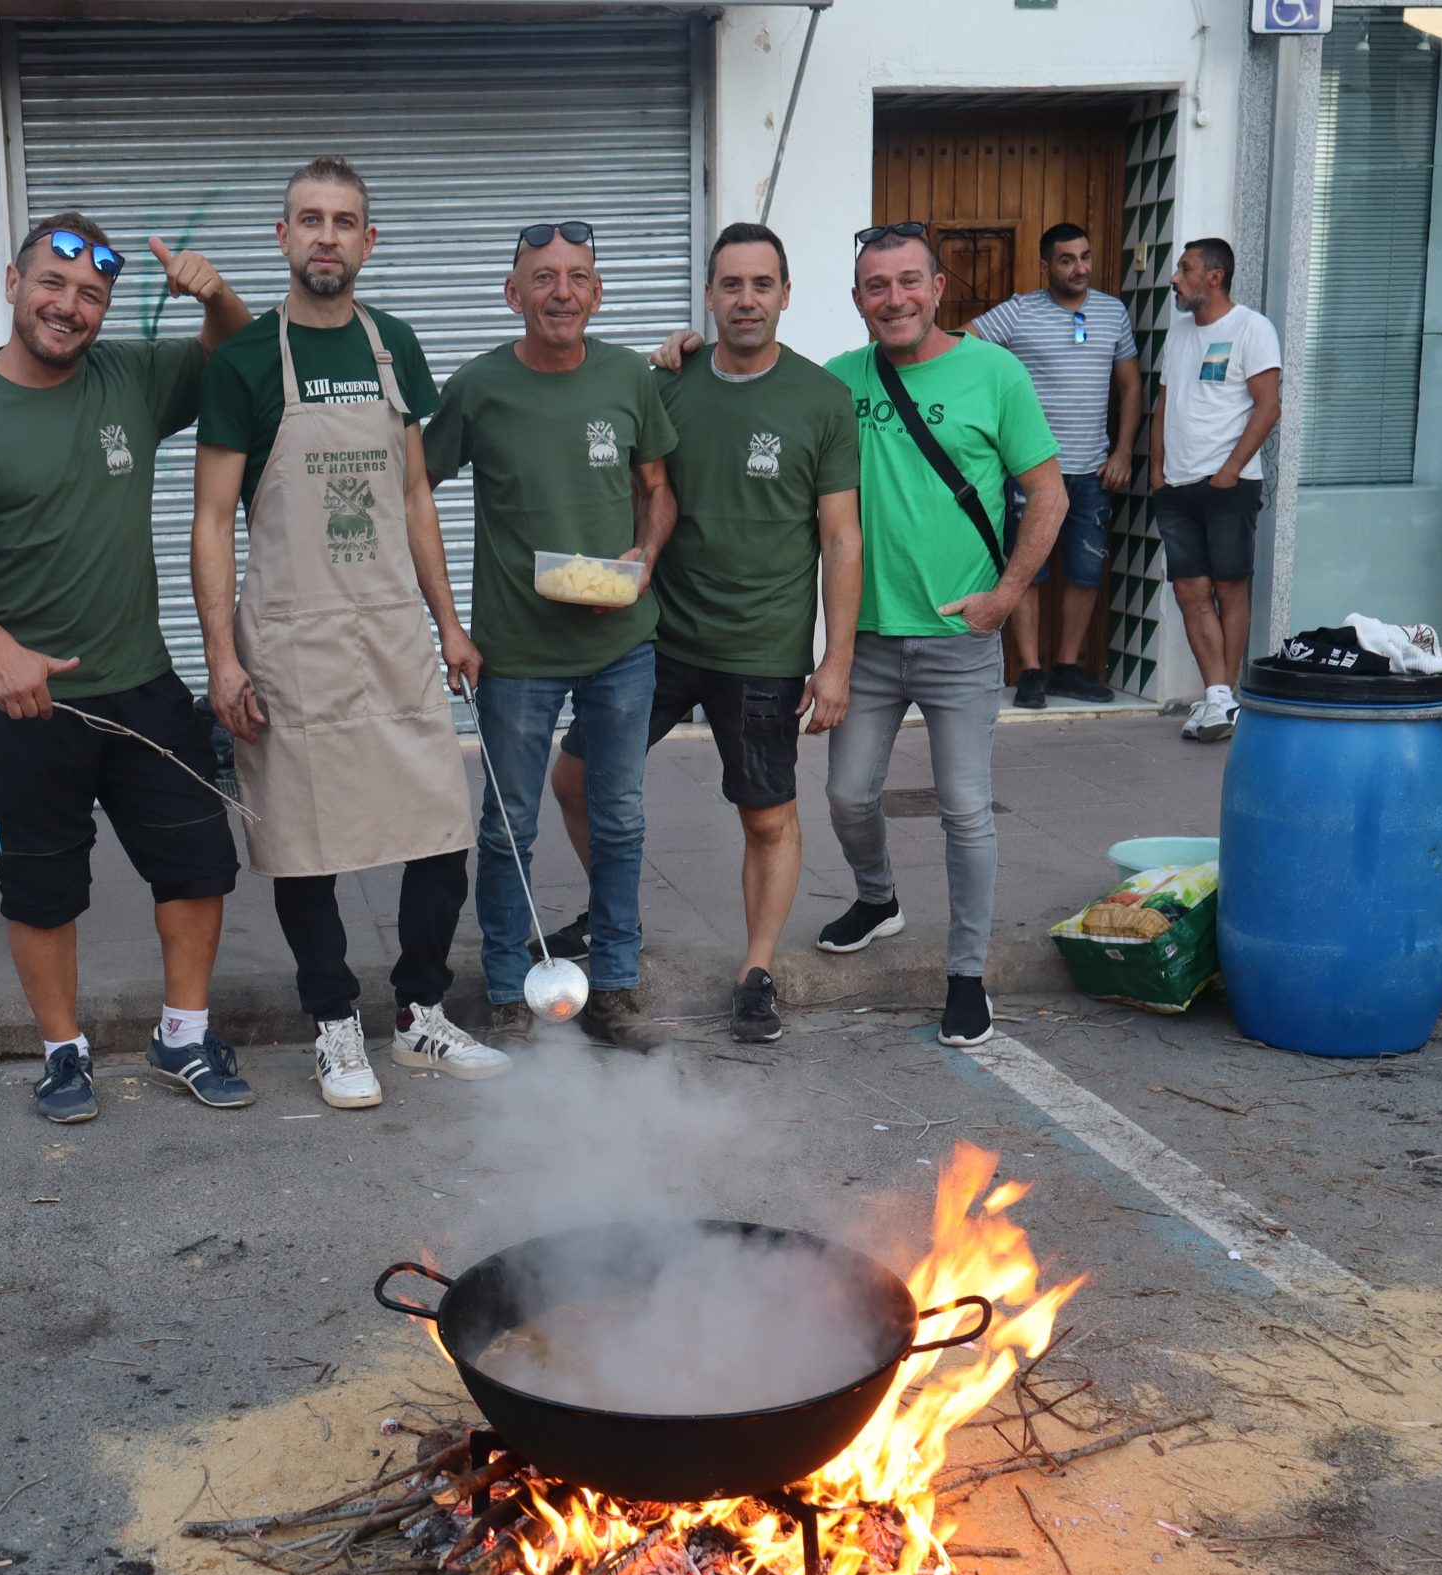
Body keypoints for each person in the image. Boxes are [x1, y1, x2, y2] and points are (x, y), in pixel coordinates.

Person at [0, 212, 255, 1125]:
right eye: (52, 284)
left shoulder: (129, 378)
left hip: (142, 684)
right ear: (14, 285)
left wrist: (215, 296)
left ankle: (183, 1033)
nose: (69, 306)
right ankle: (62, 1053)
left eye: (91, 295)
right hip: (23, 703)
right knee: (43, 889)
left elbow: (235, 358)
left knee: (199, 863)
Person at [191, 157, 509, 1107]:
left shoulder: (393, 344)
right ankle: (333, 1024)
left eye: (343, 222)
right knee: (305, 841)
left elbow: (414, 496)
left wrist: (449, 623)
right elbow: (211, 518)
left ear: (368, 242)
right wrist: (221, 656)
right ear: (282, 236)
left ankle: (419, 1014)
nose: (325, 236)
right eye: (309, 219)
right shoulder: (245, 360)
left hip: (391, 630)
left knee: (440, 829)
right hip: (292, 637)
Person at [550, 222, 862, 1044]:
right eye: (731, 284)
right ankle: (616, 918)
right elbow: (632, 483)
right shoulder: (668, 383)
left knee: (766, 817)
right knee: (573, 779)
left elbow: (841, 538)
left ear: (786, 294)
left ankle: (757, 971)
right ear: (709, 295)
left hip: (763, 647)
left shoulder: (823, 399)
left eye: (762, 284)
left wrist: (836, 661)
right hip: (655, 636)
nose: (746, 300)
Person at [423, 221, 678, 1051]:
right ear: (513, 294)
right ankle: (506, 989)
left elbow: (657, 489)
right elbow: (412, 491)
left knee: (621, 820)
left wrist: (643, 558)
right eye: (543, 277)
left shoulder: (627, 377)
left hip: (622, 646)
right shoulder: (477, 387)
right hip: (516, 653)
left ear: (597, 294)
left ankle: (615, 983)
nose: (561, 292)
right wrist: (447, 624)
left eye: (576, 277)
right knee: (508, 827)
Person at [813, 223, 1064, 1047]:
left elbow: (1050, 494)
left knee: (965, 810)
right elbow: (754, 383)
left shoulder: (995, 373)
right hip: (867, 641)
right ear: (858, 300)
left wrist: (1005, 597)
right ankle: (877, 896)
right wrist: (685, 352)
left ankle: (966, 975)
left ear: (938, 287)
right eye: (877, 286)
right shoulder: (837, 380)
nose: (895, 299)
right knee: (847, 794)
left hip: (961, 640)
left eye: (909, 281)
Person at [964, 222, 1142, 707]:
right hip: (1030, 471)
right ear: (1045, 267)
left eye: (1085, 257)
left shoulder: (1112, 312)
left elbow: (1130, 386)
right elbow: (962, 344)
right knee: (1027, 570)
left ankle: (1067, 667)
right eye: (1067, 260)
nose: (1080, 268)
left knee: (1087, 569)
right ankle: (1030, 671)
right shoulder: (1019, 311)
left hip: (1093, 469)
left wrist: (1124, 451)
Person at [1149, 237, 1280, 742]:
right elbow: (1164, 405)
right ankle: (1218, 696)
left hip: (1229, 484)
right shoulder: (1179, 333)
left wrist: (1231, 470)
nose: (1174, 278)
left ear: (1214, 276)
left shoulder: (1251, 328)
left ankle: (1224, 699)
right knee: (1189, 589)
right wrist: (1156, 471)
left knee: (1229, 586)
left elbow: (1268, 407)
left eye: (1184, 269)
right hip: (1176, 484)